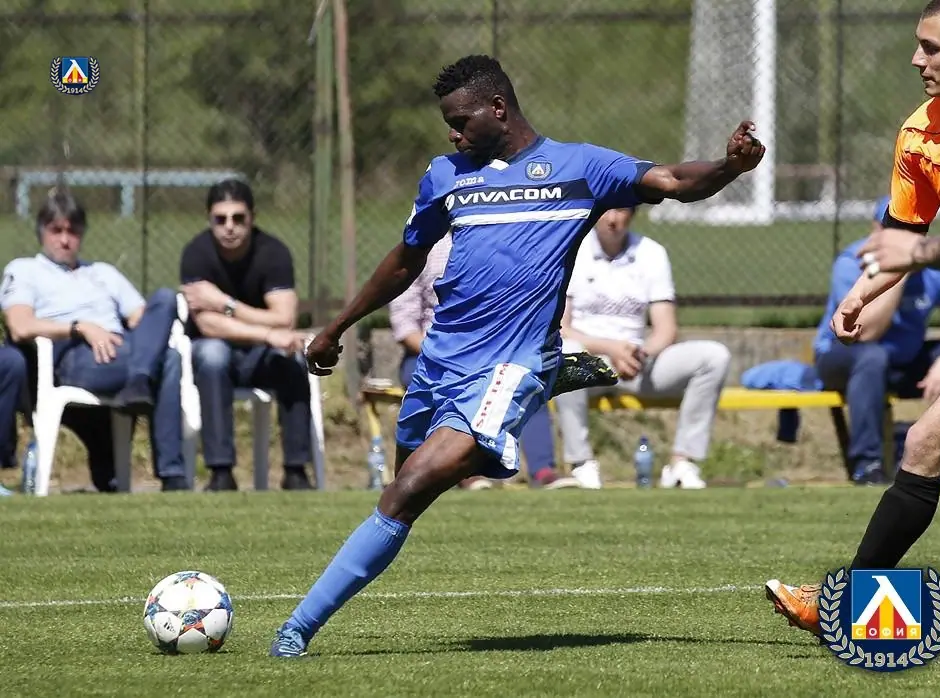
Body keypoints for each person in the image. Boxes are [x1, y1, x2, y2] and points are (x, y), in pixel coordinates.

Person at [269, 54, 764, 656]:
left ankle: (296, 629)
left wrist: (729, 167)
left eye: (460, 121)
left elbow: (675, 181)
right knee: (407, 486)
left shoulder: (581, 168)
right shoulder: (446, 176)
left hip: (509, 365)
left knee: (405, 492)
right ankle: (547, 381)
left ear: (498, 108)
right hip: (442, 360)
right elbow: (405, 261)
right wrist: (338, 326)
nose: (452, 135)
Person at [765, 0, 940, 635]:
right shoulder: (920, 134)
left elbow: (925, 248)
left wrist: (920, 255)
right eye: (917, 44)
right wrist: (860, 293)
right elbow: (902, 232)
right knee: (925, 444)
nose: (917, 59)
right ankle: (850, 609)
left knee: (925, 443)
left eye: (931, 48)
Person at [1, 189, 187, 491]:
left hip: (125, 349)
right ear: (41, 232)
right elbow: (19, 326)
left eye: (73, 231)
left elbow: (143, 318)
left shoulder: (103, 273)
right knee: (170, 361)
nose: (65, 240)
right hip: (78, 356)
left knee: (166, 300)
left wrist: (141, 338)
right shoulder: (25, 270)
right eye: (56, 230)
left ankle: (141, 384)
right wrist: (80, 328)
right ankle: (172, 471)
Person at [554, 206, 731, 489]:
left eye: (621, 210)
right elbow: (562, 328)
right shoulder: (573, 250)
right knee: (564, 353)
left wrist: (641, 353)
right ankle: (581, 465)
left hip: (637, 363)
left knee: (714, 357)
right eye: (607, 210)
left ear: (633, 213)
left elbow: (666, 329)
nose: (613, 219)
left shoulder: (651, 253)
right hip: (591, 362)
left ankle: (682, 463)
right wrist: (611, 349)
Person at [388, 234, 578, 489]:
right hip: (428, 356)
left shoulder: (499, 243)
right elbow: (405, 328)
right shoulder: (424, 248)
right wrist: (446, 356)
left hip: (489, 352)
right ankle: (462, 473)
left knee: (527, 380)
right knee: (452, 390)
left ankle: (543, 470)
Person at [812, 197, 940, 484]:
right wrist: (898, 273)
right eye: (893, 229)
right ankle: (868, 466)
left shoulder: (932, 265)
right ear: (876, 231)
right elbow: (866, 332)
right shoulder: (853, 261)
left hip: (903, 359)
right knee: (872, 358)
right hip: (844, 358)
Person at [179, 180, 315, 492]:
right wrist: (268, 333)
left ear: (252, 217)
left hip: (261, 356)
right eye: (220, 219)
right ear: (209, 219)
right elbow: (208, 326)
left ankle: (296, 471)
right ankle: (221, 472)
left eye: (238, 218)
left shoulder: (273, 252)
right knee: (212, 355)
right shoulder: (196, 254)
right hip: (217, 351)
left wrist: (224, 304)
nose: (229, 227)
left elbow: (285, 318)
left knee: (292, 359)